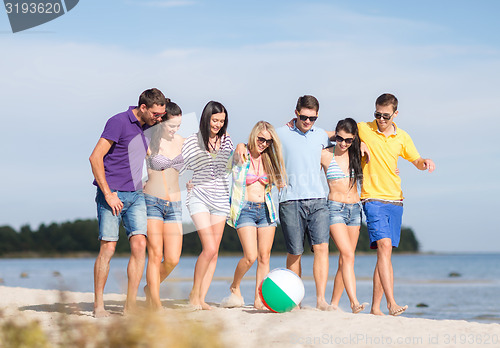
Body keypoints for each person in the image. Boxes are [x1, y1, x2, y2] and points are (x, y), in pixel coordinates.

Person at [235, 95, 332, 310]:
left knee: (322, 248)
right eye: (305, 117)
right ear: (296, 112)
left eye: (313, 118)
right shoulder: (280, 133)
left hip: (318, 199)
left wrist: (362, 144)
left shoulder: (322, 135)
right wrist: (241, 144)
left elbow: (345, 135)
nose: (308, 122)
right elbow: (256, 140)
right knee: (295, 252)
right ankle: (294, 300)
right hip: (290, 200)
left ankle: (321, 300)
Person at [89, 88, 167, 317]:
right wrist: (108, 193)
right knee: (109, 248)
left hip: (136, 196)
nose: (159, 118)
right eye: (156, 114)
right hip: (112, 195)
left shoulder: (149, 127)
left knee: (140, 246)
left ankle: (130, 305)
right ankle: (99, 305)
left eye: (160, 114)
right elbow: (95, 157)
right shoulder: (118, 122)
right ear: (143, 108)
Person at [358, 93, 435, 316]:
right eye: (377, 114)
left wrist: (425, 162)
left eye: (385, 115)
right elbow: (339, 133)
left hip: (396, 200)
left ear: (395, 114)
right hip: (372, 198)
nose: (380, 119)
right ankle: (391, 303)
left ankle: (375, 308)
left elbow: (416, 160)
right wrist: (359, 142)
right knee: (383, 247)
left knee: (385, 254)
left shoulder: (402, 137)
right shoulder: (364, 128)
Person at [222, 121, 287, 310]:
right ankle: (235, 285)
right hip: (245, 210)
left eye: (268, 141)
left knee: (264, 257)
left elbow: (274, 183)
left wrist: (279, 182)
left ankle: (260, 298)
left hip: (266, 210)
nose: (264, 144)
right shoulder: (241, 154)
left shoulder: (269, 159)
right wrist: (240, 145)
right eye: (261, 139)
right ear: (253, 136)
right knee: (250, 256)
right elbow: (222, 168)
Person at [181, 101, 234, 310]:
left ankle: (201, 298)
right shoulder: (193, 141)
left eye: (222, 121)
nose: (218, 124)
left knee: (214, 252)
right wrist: (186, 181)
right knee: (209, 247)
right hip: (199, 196)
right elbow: (180, 165)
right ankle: (194, 294)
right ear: (206, 118)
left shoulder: (227, 140)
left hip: (221, 198)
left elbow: (230, 167)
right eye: (215, 120)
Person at [320, 118, 368, 313]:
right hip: (334, 208)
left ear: (353, 139)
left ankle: (334, 304)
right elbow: (316, 136)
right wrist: (333, 134)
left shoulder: (356, 153)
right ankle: (354, 302)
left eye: (348, 140)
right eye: (339, 138)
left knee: (346, 258)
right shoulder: (324, 154)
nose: (343, 143)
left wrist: (360, 143)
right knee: (348, 254)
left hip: (355, 210)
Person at [143, 101, 184, 311]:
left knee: (173, 259)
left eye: (178, 126)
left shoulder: (182, 141)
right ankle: (156, 304)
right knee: (155, 253)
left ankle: (151, 287)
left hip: (175, 205)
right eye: (171, 126)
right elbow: (127, 161)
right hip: (152, 202)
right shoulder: (148, 141)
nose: (175, 130)